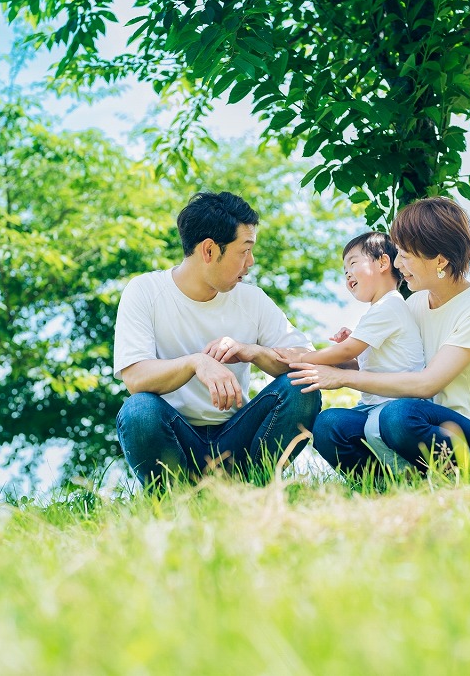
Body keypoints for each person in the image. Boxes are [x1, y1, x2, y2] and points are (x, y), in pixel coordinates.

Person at [288, 197, 470, 476]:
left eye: (405, 256)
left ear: (440, 260)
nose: (397, 263)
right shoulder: (415, 304)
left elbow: (426, 384)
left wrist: (344, 378)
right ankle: (392, 487)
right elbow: (396, 367)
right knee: (330, 424)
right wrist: (351, 360)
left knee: (397, 416)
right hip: (418, 426)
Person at [113, 191, 322, 487]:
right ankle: (174, 499)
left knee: (303, 388)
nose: (251, 262)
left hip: (239, 440)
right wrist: (196, 363)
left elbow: (307, 360)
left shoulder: (252, 299)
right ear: (209, 250)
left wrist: (253, 352)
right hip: (175, 436)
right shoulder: (144, 291)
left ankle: (255, 490)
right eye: (244, 250)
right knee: (138, 410)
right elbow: (135, 378)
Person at [275, 231, 425, 469]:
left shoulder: (391, 305)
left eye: (353, 263)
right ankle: (374, 484)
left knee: (381, 432)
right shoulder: (379, 310)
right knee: (327, 424)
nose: (347, 274)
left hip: (396, 404)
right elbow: (358, 361)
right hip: (374, 405)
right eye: (344, 271)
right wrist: (350, 354)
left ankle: (407, 477)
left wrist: (304, 357)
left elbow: (346, 351)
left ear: (383, 262)